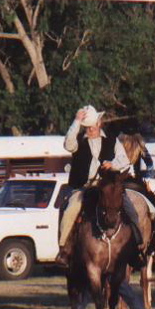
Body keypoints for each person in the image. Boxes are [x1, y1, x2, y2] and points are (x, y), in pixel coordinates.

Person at [54, 105, 143, 268]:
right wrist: (76, 121)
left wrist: (113, 164)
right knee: (72, 208)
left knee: (131, 209)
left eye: (92, 125)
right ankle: (64, 249)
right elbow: (68, 144)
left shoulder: (111, 139)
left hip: (107, 185)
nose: (90, 129)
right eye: (86, 126)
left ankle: (136, 247)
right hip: (84, 187)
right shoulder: (78, 140)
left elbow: (124, 160)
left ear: (99, 123)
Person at [120, 133, 155, 256]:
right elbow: (150, 167)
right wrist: (146, 179)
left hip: (120, 183)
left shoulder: (117, 145)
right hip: (137, 185)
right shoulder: (140, 146)